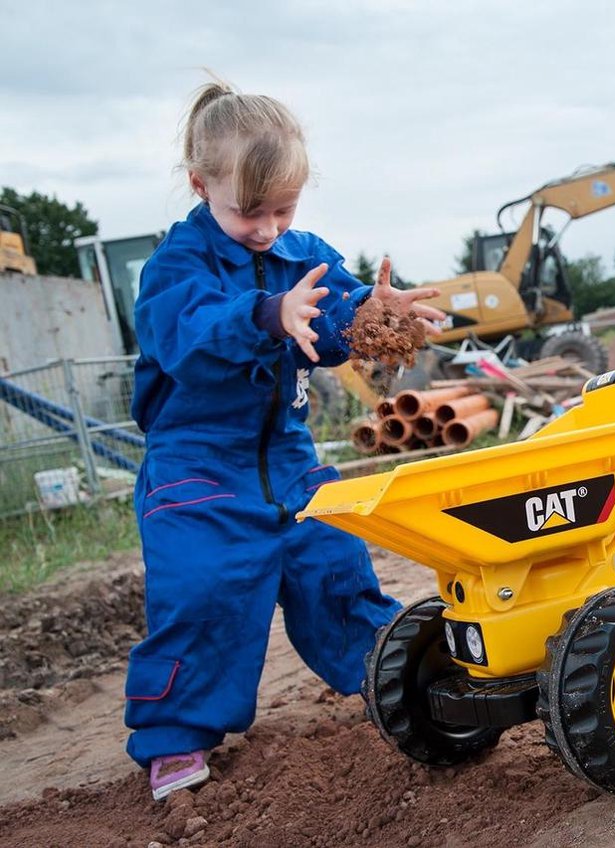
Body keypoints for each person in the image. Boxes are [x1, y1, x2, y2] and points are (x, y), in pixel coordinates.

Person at [124, 79, 444, 801]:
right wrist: (268, 313)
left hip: (288, 459)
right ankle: (175, 737)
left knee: (334, 561)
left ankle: (396, 677)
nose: (267, 228)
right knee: (204, 592)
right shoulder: (178, 266)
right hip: (197, 468)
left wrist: (372, 313)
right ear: (201, 184)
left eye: (283, 209)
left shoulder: (307, 252)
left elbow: (339, 317)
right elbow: (191, 341)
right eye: (248, 211)